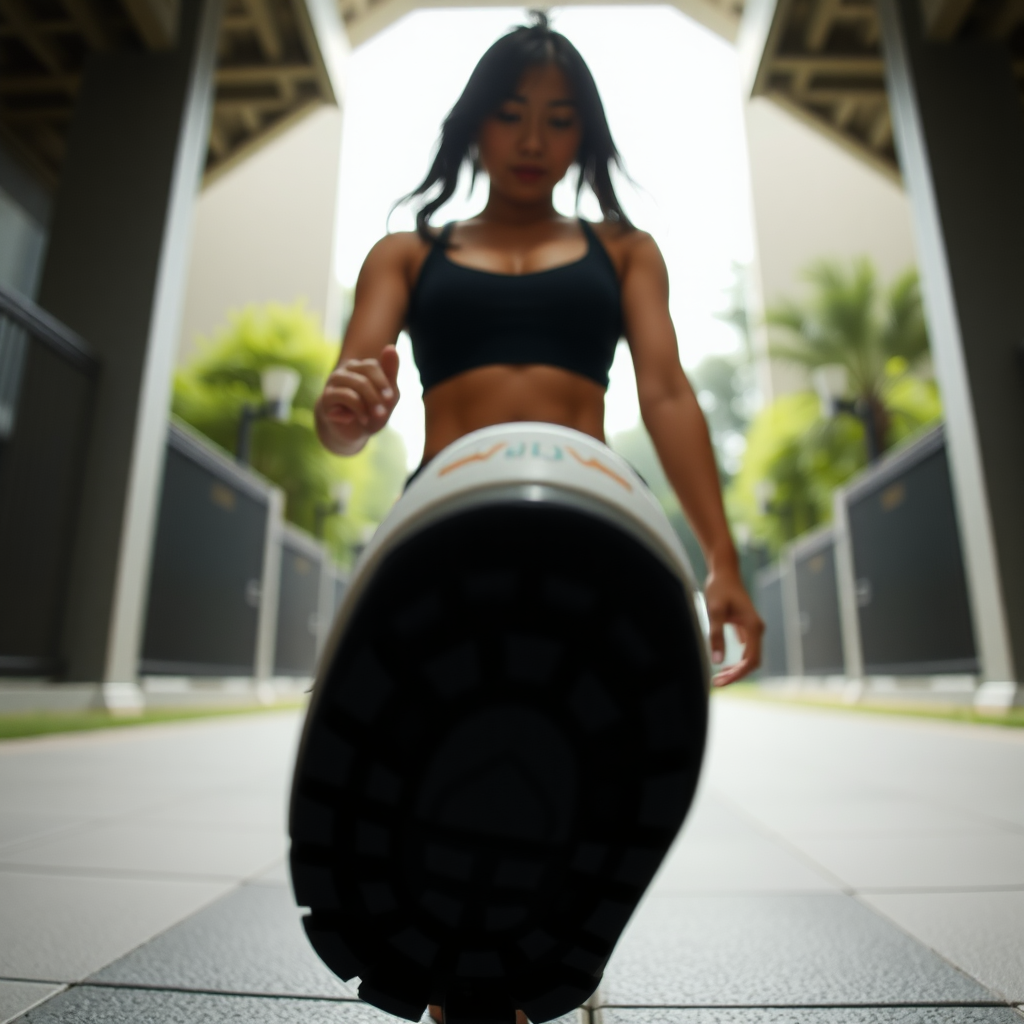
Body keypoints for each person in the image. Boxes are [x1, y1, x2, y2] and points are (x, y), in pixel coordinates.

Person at [302, 13, 763, 1022]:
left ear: (583, 136)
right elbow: (346, 406)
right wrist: (346, 411)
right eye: (509, 114)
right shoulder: (406, 253)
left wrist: (717, 561)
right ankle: (452, 953)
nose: (529, 138)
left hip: (589, 520)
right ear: (473, 124)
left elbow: (670, 396)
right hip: (444, 518)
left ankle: (542, 946)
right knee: (433, 726)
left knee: (578, 726)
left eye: (556, 119)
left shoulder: (626, 249)